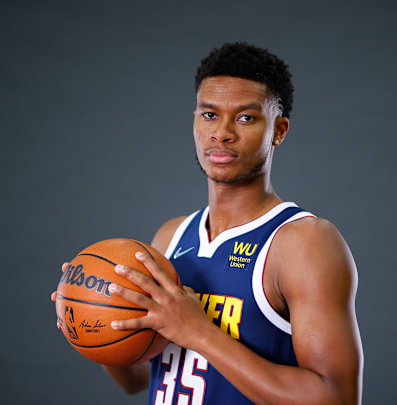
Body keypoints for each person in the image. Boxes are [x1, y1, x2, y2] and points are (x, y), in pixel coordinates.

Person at [55, 42, 363, 405]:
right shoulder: (172, 235)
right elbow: (137, 378)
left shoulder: (303, 242)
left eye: (246, 117)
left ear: (278, 130)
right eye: (209, 115)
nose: (222, 133)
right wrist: (93, 322)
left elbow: (337, 397)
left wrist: (198, 332)